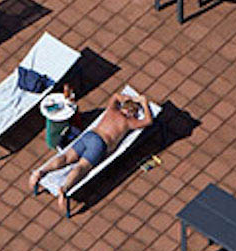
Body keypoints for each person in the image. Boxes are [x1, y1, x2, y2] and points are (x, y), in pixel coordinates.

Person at [27, 89, 157, 211]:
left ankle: (41, 171)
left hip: (89, 135)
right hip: (100, 144)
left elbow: (115, 96)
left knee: (66, 158)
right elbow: (148, 121)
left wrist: (128, 98)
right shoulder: (129, 122)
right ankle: (64, 188)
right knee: (82, 167)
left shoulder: (112, 110)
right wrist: (144, 102)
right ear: (132, 112)